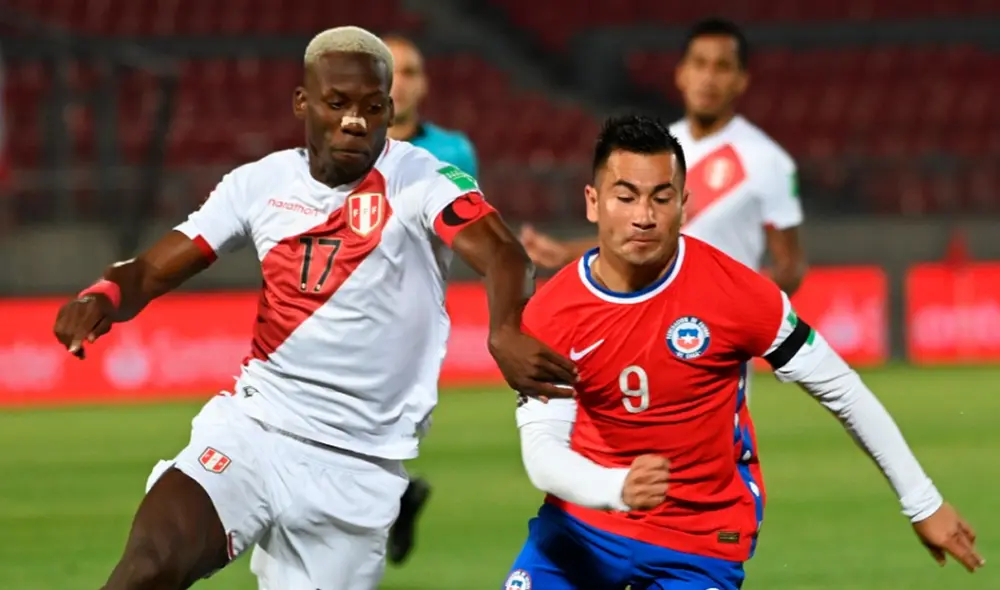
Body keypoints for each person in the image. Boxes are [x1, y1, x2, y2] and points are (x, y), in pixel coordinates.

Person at [52, 26, 577, 590]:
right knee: (147, 569)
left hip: (359, 469)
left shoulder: (423, 178)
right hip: (255, 429)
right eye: (337, 103)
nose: (355, 120)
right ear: (302, 102)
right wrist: (101, 295)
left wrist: (503, 331)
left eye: (372, 107)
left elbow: (503, 253)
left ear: (389, 110)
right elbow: (153, 268)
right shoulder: (257, 184)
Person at [502, 114, 983, 590]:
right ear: (593, 202)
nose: (643, 216)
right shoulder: (551, 313)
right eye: (625, 197)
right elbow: (543, 451)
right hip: (580, 531)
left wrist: (923, 503)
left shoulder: (735, 293)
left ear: (684, 204)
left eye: (661, 198)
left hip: (697, 542)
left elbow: (841, 388)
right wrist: (615, 489)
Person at [520, 18, 806, 297]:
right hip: (658, 323)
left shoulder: (768, 160)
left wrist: (748, 316)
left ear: (741, 81)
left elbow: (789, 267)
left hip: (727, 334)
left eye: (722, 67)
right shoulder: (654, 151)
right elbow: (634, 239)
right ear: (681, 73)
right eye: (699, 64)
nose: (708, 78)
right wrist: (563, 253)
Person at [381, 32, 480, 566]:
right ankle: (398, 496)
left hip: (414, 315)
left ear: (425, 83)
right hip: (348, 309)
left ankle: (388, 505)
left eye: (412, 71)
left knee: (373, 434)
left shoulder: (452, 150)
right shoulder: (347, 146)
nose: (402, 81)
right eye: (391, 69)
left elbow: (465, 229)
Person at [384, 34, 478, 178]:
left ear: (423, 84)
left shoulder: (454, 152)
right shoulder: (345, 153)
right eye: (387, 72)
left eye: (408, 73)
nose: (398, 83)